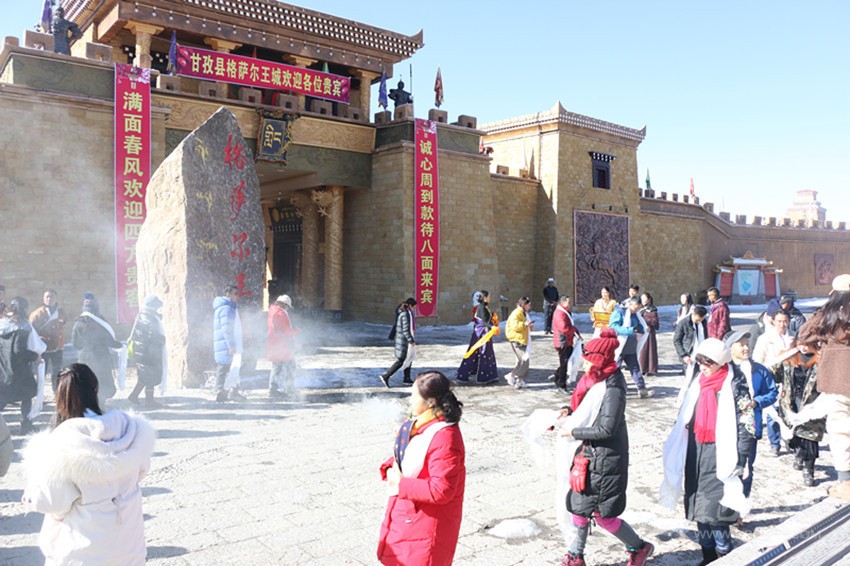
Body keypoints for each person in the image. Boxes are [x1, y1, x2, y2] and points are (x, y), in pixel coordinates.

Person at [22, 363, 155, 565]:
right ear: (95, 389)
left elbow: (51, 502)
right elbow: (142, 469)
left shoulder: (61, 444)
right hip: (129, 549)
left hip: (84, 553)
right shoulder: (129, 429)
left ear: (59, 396)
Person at [557, 329, 654, 566]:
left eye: (587, 358)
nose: (583, 362)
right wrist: (568, 413)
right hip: (589, 454)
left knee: (602, 515)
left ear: (599, 360)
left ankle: (639, 547)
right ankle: (576, 556)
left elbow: (607, 429)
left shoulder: (613, 387)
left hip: (607, 458)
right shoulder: (595, 379)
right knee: (579, 507)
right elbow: (586, 409)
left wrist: (574, 432)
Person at [660, 338, 755, 564]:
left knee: (717, 512)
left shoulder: (735, 384)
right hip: (696, 450)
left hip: (721, 453)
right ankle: (708, 555)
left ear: (720, 362)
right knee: (699, 508)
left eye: (708, 362)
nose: (702, 366)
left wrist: (741, 458)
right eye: (700, 361)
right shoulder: (698, 382)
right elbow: (685, 414)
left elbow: (747, 425)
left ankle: (725, 555)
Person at [377, 371, 465, 566]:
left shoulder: (445, 437)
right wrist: (390, 466)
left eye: (414, 396)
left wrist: (401, 484)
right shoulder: (421, 425)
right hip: (407, 515)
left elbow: (442, 490)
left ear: (431, 401)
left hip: (426, 524)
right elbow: (411, 456)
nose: (410, 401)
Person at [797, 273, 850, 500]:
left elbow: (804, 334)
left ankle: (845, 482)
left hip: (837, 382)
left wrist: (823, 311)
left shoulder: (828, 314)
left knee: (840, 432)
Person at [725, 331, 778, 498]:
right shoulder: (725, 371)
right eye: (741, 345)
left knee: (747, 466)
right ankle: (726, 502)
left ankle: (743, 501)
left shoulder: (759, 370)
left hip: (751, 427)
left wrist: (757, 401)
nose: (746, 348)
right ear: (731, 348)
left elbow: (772, 392)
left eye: (747, 344)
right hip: (727, 426)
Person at [775, 332, 824, 487]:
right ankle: (799, 455)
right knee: (794, 436)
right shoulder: (789, 358)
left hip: (812, 405)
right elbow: (772, 375)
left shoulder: (822, 360)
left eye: (807, 344)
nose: (803, 347)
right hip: (791, 403)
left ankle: (809, 471)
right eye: (800, 343)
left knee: (810, 438)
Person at [753, 307, 793, 456]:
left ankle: (790, 439)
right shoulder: (765, 338)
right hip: (772, 379)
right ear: (773, 321)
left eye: (785, 321)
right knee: (773, 413)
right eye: (779, 321)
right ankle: (775, 443)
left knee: (790, 410)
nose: (782, 324)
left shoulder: (793, 337)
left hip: (790, 381)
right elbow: (758, 360)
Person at [0, 297, 42, 434]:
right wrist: (35, 356)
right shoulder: (22, 326)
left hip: (4, 367)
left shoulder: (2, 323)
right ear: (25, 308)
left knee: (3, 397)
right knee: (26, 396)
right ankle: (26, 425)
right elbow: (19, 351)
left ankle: (27, 425)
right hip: (19, 370)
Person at [71, 292, 122, 403]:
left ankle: (88, 404)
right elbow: (108, 339)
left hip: (85, 359)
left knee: (87, 383)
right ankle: (99, 404)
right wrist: (118, 345)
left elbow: (75, 344)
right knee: (101, 383)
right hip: (100, 358)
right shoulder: (100, 321)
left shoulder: (78, 322)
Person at [609, 297, 652, 398]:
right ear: (630, 304)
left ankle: (641, 388)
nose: (636, 311)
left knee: (635, 368)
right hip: (619, 346)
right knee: (614, 368)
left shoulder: (635, 314)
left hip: (631, 346)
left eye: (638, 309)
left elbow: (637, 326)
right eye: (635, 308)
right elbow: (613, 327)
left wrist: (644, 329)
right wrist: (630, 330)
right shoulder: (619, 312)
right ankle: (611, 388)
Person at [127, 295, 166, 408]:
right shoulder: (151, 319)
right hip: (149, 352)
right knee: (151, 375)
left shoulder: (141, 315)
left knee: (144, 375)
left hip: (141, 350)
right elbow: (153, 337)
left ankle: (134, 395)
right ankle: (149, 400)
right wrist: (162, 341)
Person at [28, 289, 67, 393]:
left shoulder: (61, 312)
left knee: (57, 371)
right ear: (43, 298)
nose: (49, 299)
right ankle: (38, 393)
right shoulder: (37, 314)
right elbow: (32, 331)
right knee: (41, 372)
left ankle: (56, 392)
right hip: (43, 348)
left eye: (52, 297)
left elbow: (63, 325)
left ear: (56, 298)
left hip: (58, 347)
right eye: (47, 297)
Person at [456, 290, 498, 384]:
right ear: (485, 298)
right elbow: (484, 322)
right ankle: (482, 376)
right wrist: (492, 326)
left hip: (483, 333)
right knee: (483, 353)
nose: (490, 298)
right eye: (489, 297)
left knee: (481, 353)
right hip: (482, 334)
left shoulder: (483, 307)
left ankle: (480, 373)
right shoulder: (481, 307)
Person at [213, 285, 244, 402]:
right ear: (228, 294)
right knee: (226, 368)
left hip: (224, 343)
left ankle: (229, 391)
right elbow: (227, 329)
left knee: (230, 368)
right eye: (235, 293)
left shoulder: (227, 308)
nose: (237, 296)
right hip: (226, 345)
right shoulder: (226, 309)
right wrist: (231, 345)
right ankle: (222, 391)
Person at [267, 294, 299, 396]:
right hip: (281, 345)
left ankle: (274, 389)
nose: (288, 308)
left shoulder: (273, 311)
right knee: (289, 366)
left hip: (277, 344)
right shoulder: (280, 314)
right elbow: (286, 331)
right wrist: (296, 331)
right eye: (288, 306)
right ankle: (286, 388)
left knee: (277, 366)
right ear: (284, 304)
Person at [380, 298, 416, 388]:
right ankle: (386, 376)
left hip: (404, 339)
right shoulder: (405, 314)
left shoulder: (406, 313)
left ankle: (407, 378)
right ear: (410, 306)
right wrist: (411, 340)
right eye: (414, 307)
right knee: (401, 360)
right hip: (403, 340)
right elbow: (405, 330)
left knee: (409, 359)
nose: (414, 309)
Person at [505, 297, 533, 389]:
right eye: (528, 305)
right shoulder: (516, 313)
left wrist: (530, 325)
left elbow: (527, 326)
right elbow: (514, 326)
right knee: (524, 361)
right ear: (524, 305)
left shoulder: (524, 313)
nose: (529, 307)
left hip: (523, 339)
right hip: (517, 339)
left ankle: (519, 381)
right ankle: (512, 375)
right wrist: (524, 324)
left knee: (521, 361)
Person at [553, 295, 579, 393]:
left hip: (567, 341)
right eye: (568, 302)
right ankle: (562, 385)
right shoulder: (560, 313)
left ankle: (557, 375)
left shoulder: (565, 312)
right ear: (563, 303)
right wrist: (574, 330)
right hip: (562, 342)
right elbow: (564, 329)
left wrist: (575, 332)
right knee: (564, 364)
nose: (570, 304)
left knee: (568, 361)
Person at [674, 305, 708, 378]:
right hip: (689, 355)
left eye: (701, 320)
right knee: (690, 378)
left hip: (702, 355)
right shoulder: (683, 323)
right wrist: (683, 355)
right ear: (693, 314)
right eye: (697, 320)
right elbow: (677, 341)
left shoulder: (704, 322)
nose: (699, 322)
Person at [638, 292, 659, 377]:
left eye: (644, 299)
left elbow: (654, 321)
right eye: (642, 299)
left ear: (649, 299)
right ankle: (642, 368)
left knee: (650, 350)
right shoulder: (640, 309)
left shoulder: (652, 309)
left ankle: (651, 369)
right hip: (641, 332)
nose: (643, 300)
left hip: (649, 332)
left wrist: (644, 320)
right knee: (641, 350)